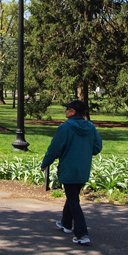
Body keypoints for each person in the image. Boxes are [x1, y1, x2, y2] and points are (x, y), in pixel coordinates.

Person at [40, 100, 103, 246]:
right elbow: (97, 146)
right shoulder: (91, 127)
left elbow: (55, 148)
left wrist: (45, 164)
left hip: (68, 168)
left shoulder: (65, 127)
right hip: (83, 168)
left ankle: (82, 234)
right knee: (72, 195)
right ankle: (66, 224)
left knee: (74, 200)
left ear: (73, 112)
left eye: (67, 109)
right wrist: (85, 152)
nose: (65, 111)